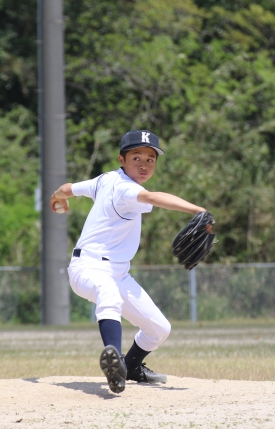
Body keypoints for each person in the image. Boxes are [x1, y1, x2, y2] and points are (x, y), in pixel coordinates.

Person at [50, 129, 207, 394]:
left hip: (119, 273)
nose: (144, 164)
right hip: (88, 268)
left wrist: (58, 197)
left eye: (150, 159)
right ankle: (113, 359)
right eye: (137, 158)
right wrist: (197, 210)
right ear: (122, 159)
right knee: (108, 293)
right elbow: (153, 197)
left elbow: (68, 189)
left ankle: (130, 366)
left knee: (159, 329)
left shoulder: (105, 179)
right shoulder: (125, 188)